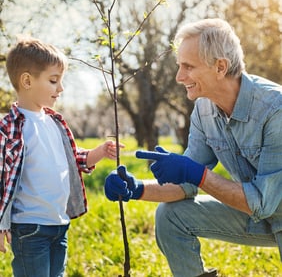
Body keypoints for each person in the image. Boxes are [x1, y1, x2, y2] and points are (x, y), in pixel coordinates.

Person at [104, 18, 282, 277]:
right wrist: (137, 189)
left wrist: (198, 174)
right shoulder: (204, 109)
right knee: (170, 215)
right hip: (260, 214)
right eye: (179, 66)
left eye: (188, 66)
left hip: (267, 207)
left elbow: (262, 202)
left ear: (220, 66)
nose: (179, 77)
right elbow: (187, 186)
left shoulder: (274, 109)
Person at [0, 37, 123, 277]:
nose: (61, 88)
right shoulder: (8, 128)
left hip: (59, 224)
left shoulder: (56, 122)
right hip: (29, 227)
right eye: (53, 80)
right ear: (26, 81)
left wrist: (99, 152)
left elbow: (72, 160)